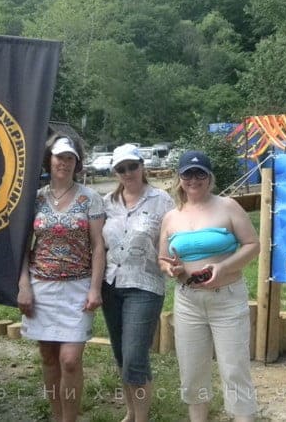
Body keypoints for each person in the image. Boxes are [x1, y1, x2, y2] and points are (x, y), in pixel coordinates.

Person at [158, 150, 260, 422]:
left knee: (234, 369)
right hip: (188, 301)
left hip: (226, 299)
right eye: (187, 174)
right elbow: (163, 258)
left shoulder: (228, 206)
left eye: (200, 173)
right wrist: (171, 268)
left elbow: (253, 245)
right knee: (192, 372)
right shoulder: (171, 217)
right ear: (179, 178)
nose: (193, 179)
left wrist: (223, 267)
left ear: (209, 177)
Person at [17, 134, 106, 422]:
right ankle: (57, 417)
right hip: (41, 286)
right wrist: (23, 285)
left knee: (70, 360)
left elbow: (98, 246)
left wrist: (95, 289)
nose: (64, 163)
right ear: (49, 159)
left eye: (70, 158)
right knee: (48, 356)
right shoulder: (34, 198)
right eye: (59, 157)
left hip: (77, 288)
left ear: (76, 162)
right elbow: (22, 246)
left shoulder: (90, 198)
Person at [101, 143, 174, 422]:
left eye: (132, 166)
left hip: (145, 285)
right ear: (115, 172)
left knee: (134, 356)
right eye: (121, 168)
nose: (128, 172)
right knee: (121, 354)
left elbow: (174, 237)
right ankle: (131, 412)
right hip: (111, 284)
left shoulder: (162, 200)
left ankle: (141, 418)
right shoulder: (106, 203)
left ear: (142, 166)